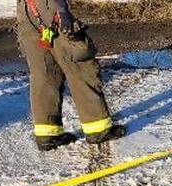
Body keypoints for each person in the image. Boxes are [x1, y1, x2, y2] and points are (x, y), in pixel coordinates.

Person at [16, 0, 126, 151]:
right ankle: (98, 129)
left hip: (26, 10)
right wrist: (62, 10)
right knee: (79, 65)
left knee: (45, 72)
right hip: (52, 8)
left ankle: (47, 134)